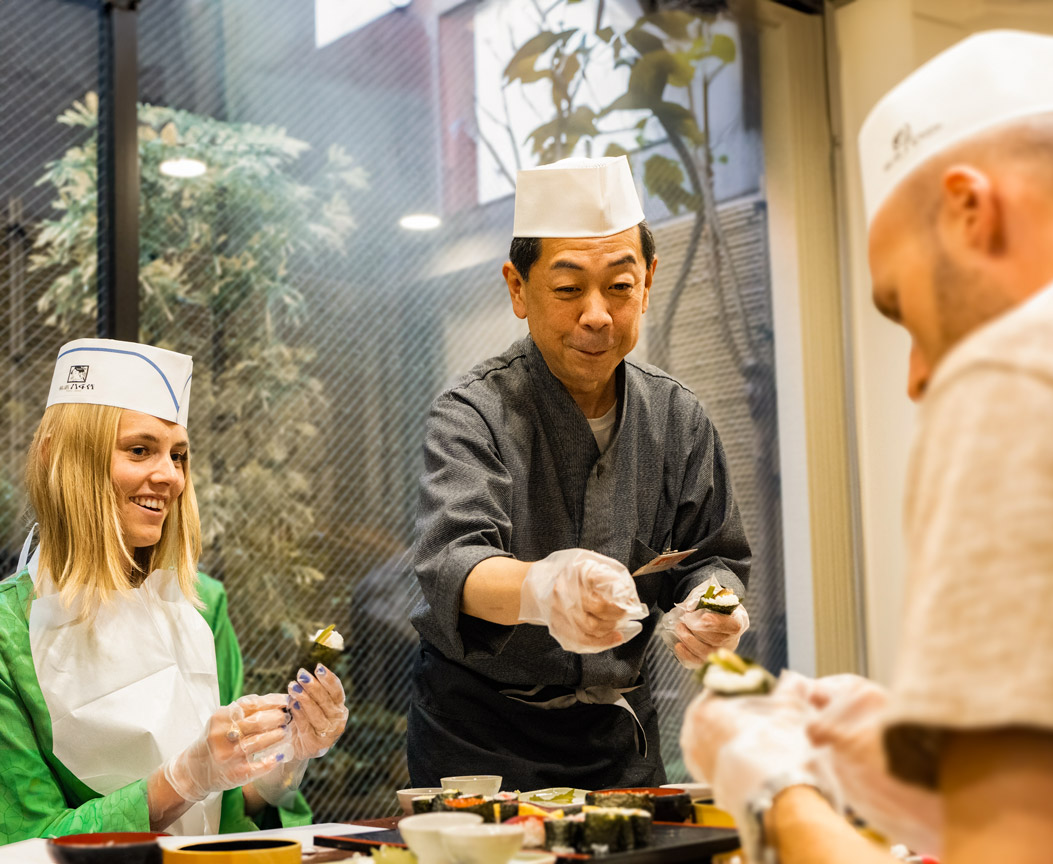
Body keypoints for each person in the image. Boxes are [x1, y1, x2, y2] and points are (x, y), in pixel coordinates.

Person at [680, 29, 1053, 864]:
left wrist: (772, 792)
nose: (918, 376)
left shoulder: (1024, 370)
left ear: (971, 208)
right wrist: (931, 779)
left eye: (902, 308)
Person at [407, 155, 753, 791]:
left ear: (648, 281)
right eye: (568, 290)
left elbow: (713, 557)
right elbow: (455, 563)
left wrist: (714, 606)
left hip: (621, 738)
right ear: (518, 288)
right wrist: (544, 589)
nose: (596, 314)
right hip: (480, 741)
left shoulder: (678, 418)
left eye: (619, 287)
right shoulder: (473, 412)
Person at [0, 338, 349, 844]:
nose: (170, 477)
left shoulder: (200, 608)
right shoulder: (10, 636)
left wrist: (286, 755)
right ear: (62, 458)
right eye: (140, 450)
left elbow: (232, 806)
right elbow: (24, 841)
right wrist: (180, 779)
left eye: (178, 455)